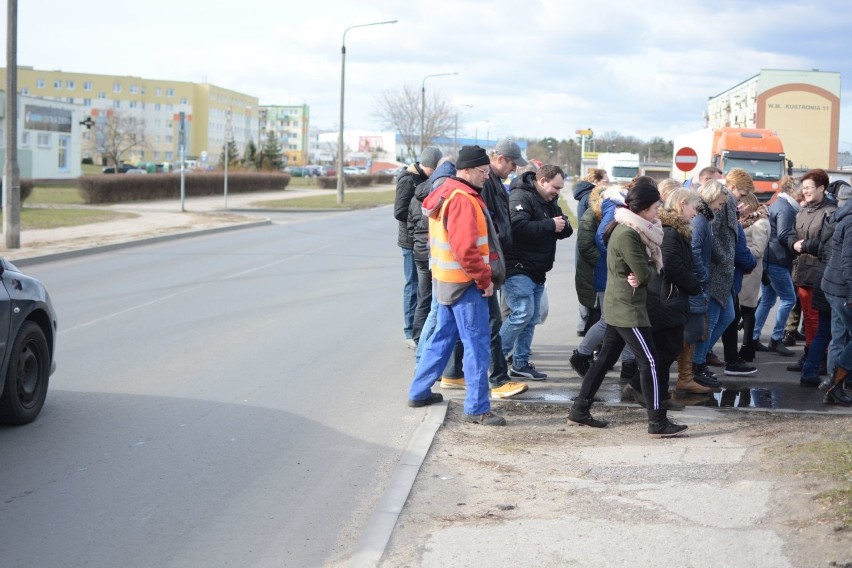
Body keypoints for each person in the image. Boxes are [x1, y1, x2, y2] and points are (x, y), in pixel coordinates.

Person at [567, 180, 688, 437]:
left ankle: (579, 410)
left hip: (622, 305)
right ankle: (657, 422)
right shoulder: (629, 233)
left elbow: (641, 273)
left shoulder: (631, 229)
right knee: (651, 363)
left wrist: (640, 272)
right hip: (627, 308)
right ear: (643, 208)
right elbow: (645, 274)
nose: (658, 212)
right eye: (656, 207)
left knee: (604, 361)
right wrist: (642, 271)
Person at [407, 145, 506, 426]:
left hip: (446, 281)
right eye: (483, 171)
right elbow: (465, 250)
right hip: (465, 285)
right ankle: (477, 408)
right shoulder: (463, 199)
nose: (487, 176)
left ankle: (419, 391)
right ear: (467, 170)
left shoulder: (445, 191)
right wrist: (484, 280)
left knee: (441, 338)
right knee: (477, 346)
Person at [439, 139, 529, 398]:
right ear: (498, 158)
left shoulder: (490, 182)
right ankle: (497, 381)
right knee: (489, 325)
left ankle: (452, 373)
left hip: (475, 269)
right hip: (480, 269)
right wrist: (485, 274)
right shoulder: (479, 186)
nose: (513, 169)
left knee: (457, 327)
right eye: (512, 163)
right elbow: (472, 239)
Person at [622, 187, 704, 407]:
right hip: (665, 298)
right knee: (667, 348)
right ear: (682, 204)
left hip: (671, 297)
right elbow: (670, 265)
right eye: (694, 208)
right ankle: (647, 392)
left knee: (667, 348)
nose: (696, 213)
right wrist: (694, 283)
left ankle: (649, 391)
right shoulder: (669, 231)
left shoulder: (675, 230)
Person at [500, 165, 573, 379]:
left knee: (531, 317)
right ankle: (493, 360)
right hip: (518, 266)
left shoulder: (550, 201)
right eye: (555, 187)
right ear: (542, 181)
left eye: (560, 189)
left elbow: (563, 228)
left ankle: (520, 364)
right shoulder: (520, 196)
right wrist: (550, 225)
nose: (557, 192)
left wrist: (559, 225)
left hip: (538, 269)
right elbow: (517, 228)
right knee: (521, 313)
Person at [569, 183, 637, 381]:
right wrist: (617, 259)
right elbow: (600, 238)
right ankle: (582, 354)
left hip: (608, 274)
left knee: (619, 322)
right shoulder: (614, 208)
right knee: (609, 321)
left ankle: (627, 365)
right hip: (607, 275)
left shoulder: (612, 206)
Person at [788, 169, 836, 385]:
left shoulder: (830, 212)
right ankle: (809, 356)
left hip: (819, 270)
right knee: (808, 318)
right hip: (802, 270)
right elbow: (791, 233)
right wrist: (792, 243)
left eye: (809, 188)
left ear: (822, 188)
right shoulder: (802, 211)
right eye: (803, 188)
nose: (805, 191)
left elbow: (828, 245)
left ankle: (818, 359)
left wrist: (806, 245)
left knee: (817, 319)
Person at [394, 146, 442, 347]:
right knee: (413, 285)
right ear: (430, 166)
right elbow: (399, 211)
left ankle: (418, 329)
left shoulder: (422, 179)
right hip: (410, 241)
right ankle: (409, 331)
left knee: (422, 288)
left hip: (420, 240)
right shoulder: (408, 180)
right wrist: (419, 218)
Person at [752, 175, 801, 356]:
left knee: (767, 300)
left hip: (770, 259)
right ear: (793, 191)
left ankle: (753, 337)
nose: (803, 195)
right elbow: (783, 234)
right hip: (777, 260)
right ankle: (776, 338)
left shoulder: (780, 204)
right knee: (789, 299)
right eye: (802, 191)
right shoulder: (787, 209)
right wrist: (798, 244)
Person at [408, 157, 455, 347]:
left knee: (424, 297)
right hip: (435, 254)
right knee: (434, 302)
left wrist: (416, 244)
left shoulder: (417, 195)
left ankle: (418, 338)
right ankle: (424, 342)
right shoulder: (442, 194)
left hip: (421, 251)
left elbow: (410, 224)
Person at [687, 180, 728, 388]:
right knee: (702, 327)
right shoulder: (701, 221)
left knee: (709, 324)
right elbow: (695, 250)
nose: (720, 208)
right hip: (702, 281)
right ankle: (696, 367)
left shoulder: (704, 219)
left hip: (704, 279)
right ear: (711, 197)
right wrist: (702, 275)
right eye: (719, 203)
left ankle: (697, 366)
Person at [717, 167, 757, 376]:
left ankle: (706, 362)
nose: (741, 199)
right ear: (732, 187)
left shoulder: (726, 207)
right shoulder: (726, 207)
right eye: (741, 193)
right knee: (729, 318)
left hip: (729, 272)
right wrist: (750, 262)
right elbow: (737, 247)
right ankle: (728, 361)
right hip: (728, 273)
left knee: (729, 318)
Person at [821, 181, 852, 398]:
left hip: (835, 286)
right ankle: (835, 380)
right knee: (841, 337)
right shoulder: (850, 222)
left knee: (839, 336)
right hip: (842, 289)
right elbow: (848, 261)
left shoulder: (844, 217)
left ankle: (835, 387)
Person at [573, 168, 608, 336]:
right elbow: (586, 245)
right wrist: (604, 261)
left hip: (595, 267)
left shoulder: (597, 212)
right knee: (595, 313)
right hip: (592, 268)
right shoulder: (591, 213)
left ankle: (590, 348)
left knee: (598, 312)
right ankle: (585, 352)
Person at [736, 193, 770, 363]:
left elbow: (758, 250)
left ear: (749, 204)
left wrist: (738, 250)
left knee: (747, 311)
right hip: (742, 271)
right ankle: (745, 348)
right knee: (740, 310)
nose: (738, 206)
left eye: (741, 203)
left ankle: (747, 348)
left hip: (750, 272)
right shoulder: (745, 221)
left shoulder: (760, 223)